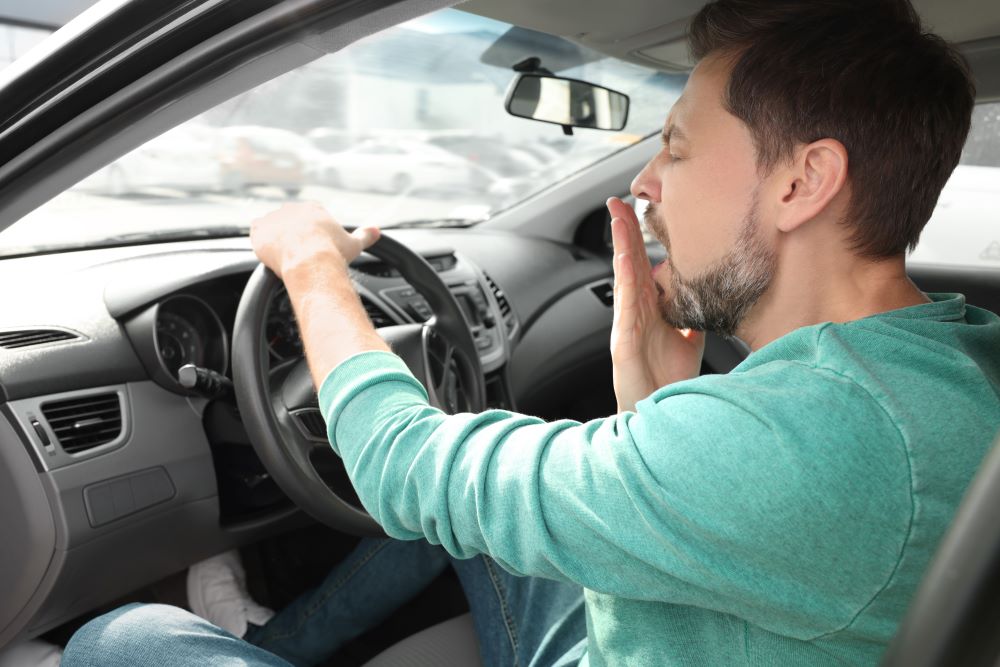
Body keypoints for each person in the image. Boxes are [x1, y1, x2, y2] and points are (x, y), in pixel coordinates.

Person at [62, 0, 1000, 665]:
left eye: (675, 146)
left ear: (802, 182)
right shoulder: (953, 356)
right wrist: (656, 411)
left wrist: (310, 266)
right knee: (501, 480)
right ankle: (276, 641)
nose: (645, 185)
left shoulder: (808, 439)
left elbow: (403, 464)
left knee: (121, 640)